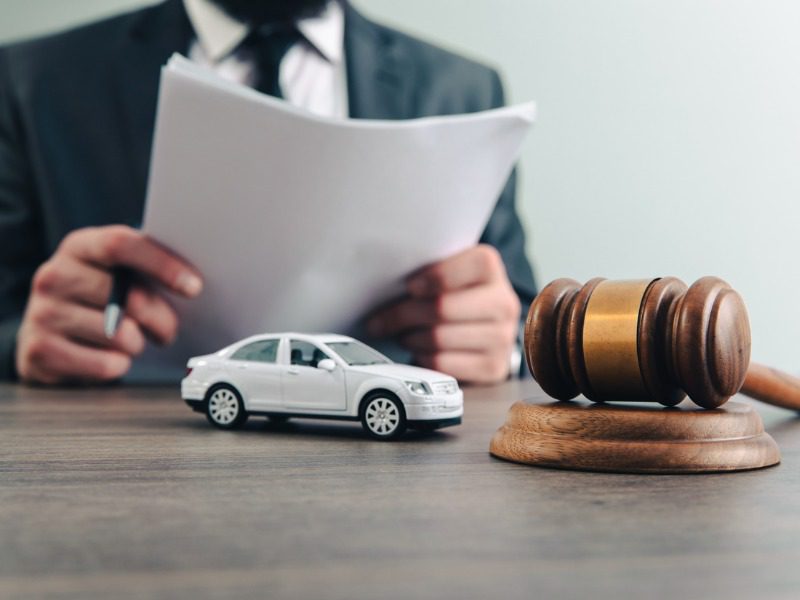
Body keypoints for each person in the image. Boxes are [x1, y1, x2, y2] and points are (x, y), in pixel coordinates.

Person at [0, 0, 537, 385]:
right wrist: (21, 341)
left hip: (388, 460)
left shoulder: (464, 90)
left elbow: (519, 313)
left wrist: (506, 344)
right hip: (125, 470)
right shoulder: (33, 81)